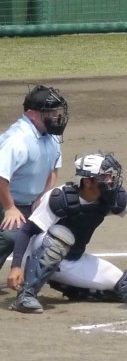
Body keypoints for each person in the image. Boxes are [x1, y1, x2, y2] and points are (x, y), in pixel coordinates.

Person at [7, 152, 127, 313]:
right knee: (59, 236)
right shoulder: (60, 198)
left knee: (124, 287)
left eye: (110, 176)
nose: (111, 180)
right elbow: (26, 231)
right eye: (104, 177)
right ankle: (26, 295)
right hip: (37, 254)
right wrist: (16, 267)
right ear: (88, 182)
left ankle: (70, 287)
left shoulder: (109, 198)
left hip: (72, 259)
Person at [0, 85, 69, 273]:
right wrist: (9, 208)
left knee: (63, 225)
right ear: (32, 114)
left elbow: (54, 167)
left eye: (58, 111)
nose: (57, 116)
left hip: (28, 201)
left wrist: (43, 196)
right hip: (5, 198)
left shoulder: (51, 135)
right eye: (51, 112)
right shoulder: (17, 140)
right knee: (11, 234)